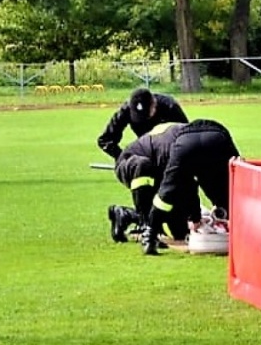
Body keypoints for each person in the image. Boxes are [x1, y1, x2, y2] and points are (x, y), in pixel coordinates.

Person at [123, 119, 241, 255]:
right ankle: (241, 228)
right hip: (217, 138)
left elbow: (188, 185)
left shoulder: (173, 143)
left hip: (186, 142)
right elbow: (237, 171)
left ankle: (149, 236)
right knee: (235, 185)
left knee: (166, 193)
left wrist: (195, 217)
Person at [107, 121, 200, 247]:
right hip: (131, 164)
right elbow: (176, 183)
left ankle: (127, 214)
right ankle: (147, 231)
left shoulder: (189, 141)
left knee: (180, 232)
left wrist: (194, 217)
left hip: (157, 170)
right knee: (143, 166)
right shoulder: (171, 146)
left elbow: (191, 181)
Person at [97, 87, 188, 158]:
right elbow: (105, 140)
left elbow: (187, 136)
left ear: (154, 105)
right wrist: (122, 157)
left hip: (169, 148)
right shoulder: (125, 111)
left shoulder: (170, 107)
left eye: (146, 115)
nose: (143, 120)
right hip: (146, 147)